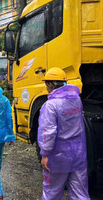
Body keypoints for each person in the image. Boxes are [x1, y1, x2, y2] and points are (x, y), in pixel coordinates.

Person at [38, 67, 90, 200]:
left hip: (58, 156)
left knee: (52, 193)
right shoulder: (76, 100)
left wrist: (45, 154)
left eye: (46, 84)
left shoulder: (50, 105)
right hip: (78, 154)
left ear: (50, 84)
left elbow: (47, 132)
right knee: (80, 193)